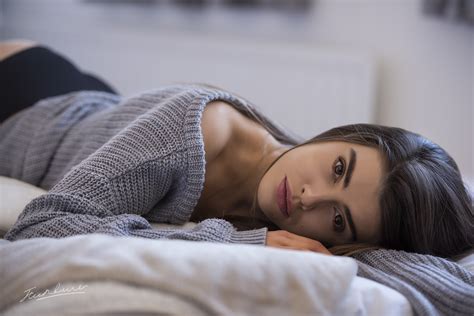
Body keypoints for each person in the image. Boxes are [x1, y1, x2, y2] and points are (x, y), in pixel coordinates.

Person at [1, 40, 473, 315]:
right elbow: (42, 227)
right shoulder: (191, 135)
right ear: (346, 133)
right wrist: (234, 242)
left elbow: (433, 279)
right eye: (339, 168)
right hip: (21, 93)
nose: (310, 198)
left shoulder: (299, 214)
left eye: (338, 221)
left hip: (101, 113)